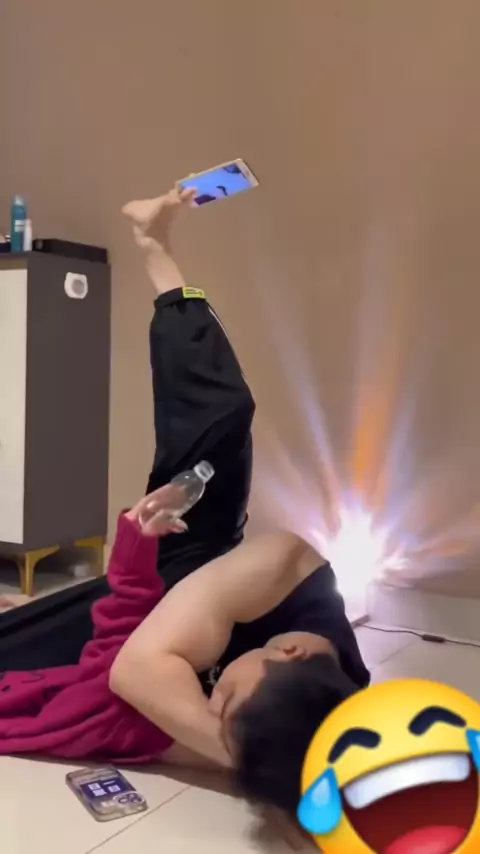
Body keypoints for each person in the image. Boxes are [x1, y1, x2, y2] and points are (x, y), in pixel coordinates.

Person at [0, 188, 369, 827]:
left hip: (149, 630)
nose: (210, 707)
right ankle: (153, 242)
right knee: (224, 414)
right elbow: (135, 674)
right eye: (226, 698)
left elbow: (146, 701)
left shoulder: (301, 724)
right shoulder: (285, 567)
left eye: (216, 712)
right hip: (196, 569)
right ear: (289, 653)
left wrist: (262, 761)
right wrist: (247, 762)